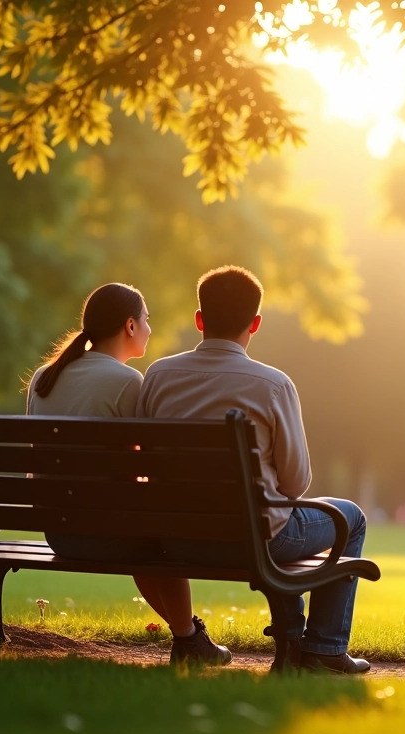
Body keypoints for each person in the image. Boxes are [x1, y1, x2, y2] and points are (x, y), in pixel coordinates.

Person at [137, 265, 371, 674]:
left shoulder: (158, 375)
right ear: (256, 324)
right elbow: (296, 483)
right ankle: (324, 648)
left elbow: (143, 460)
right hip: (253, 539)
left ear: (199, 319)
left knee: (273, 514)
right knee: (350, 518)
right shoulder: (273, 384)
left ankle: (298, 638)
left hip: (176, 539)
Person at [26, 283, 231, 665]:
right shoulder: (127, 381)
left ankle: (190, 638)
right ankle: (189, 639)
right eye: (147, 320)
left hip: (58, 531)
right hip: (108, 534)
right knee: (160, 541)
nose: (151, 329)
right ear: (130, 326)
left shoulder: (44, 377)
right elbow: (148, 464)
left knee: (143, 532)